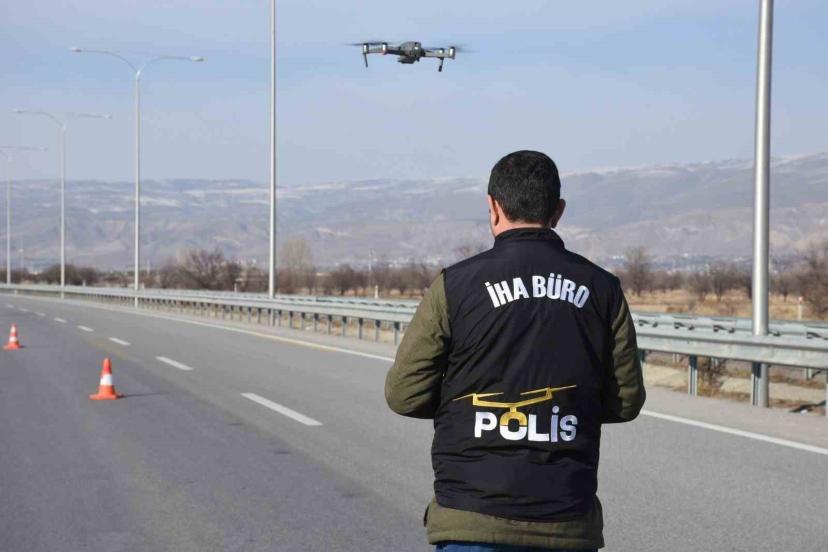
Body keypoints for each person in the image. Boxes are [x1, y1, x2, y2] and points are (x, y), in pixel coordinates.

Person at [384, 150, 646, 551]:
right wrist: (564, 413)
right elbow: (625, 401)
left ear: (492, 207)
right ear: (558, 211)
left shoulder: (454, 285)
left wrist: (464, 409)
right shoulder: (602, 289)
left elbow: (404, 394)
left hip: (470, 519)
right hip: (566, 523)